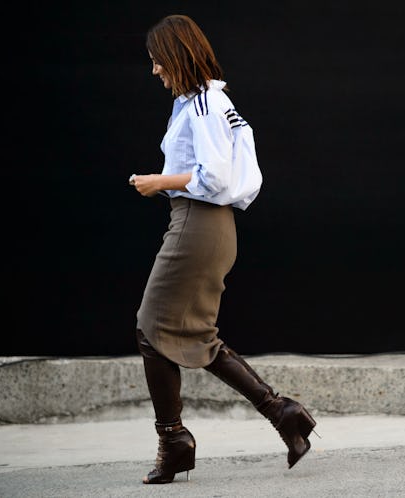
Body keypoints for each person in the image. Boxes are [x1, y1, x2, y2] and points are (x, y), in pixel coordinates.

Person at [129, 14, 317, 485]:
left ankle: (174, 441)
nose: (155, 71)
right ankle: (281, 414)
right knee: (187, 333)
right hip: (203, 224)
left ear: (176, 56)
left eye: (157, 61)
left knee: (152, 328)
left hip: (198, 222)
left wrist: (157, 182)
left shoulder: (205, 104)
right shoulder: (204, 102)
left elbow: (213, 177)